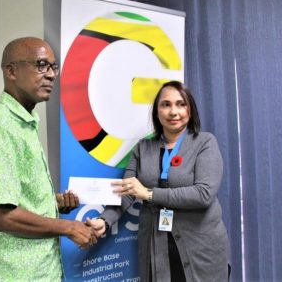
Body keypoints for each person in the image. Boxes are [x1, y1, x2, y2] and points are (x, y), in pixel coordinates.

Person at [0, 37, 97, 281]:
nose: (50, 75)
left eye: (53, 67)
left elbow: (14, 198)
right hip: (16, 274)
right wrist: (69, 227)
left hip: (43, 271)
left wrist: (52, 203)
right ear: (11, 71)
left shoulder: (24, 123)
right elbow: (1, 216)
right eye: (41, 65)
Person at [89, 81, 229, 281]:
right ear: (157, 111)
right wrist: (104, 221)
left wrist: (149, 194)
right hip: (156, 243)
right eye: (166, 104)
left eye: (181, 104)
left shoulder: (205, 143)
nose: (174, 111)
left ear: (190, 110)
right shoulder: (143, 147)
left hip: (201, 247)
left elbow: (204, 194)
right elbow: (127, 191)